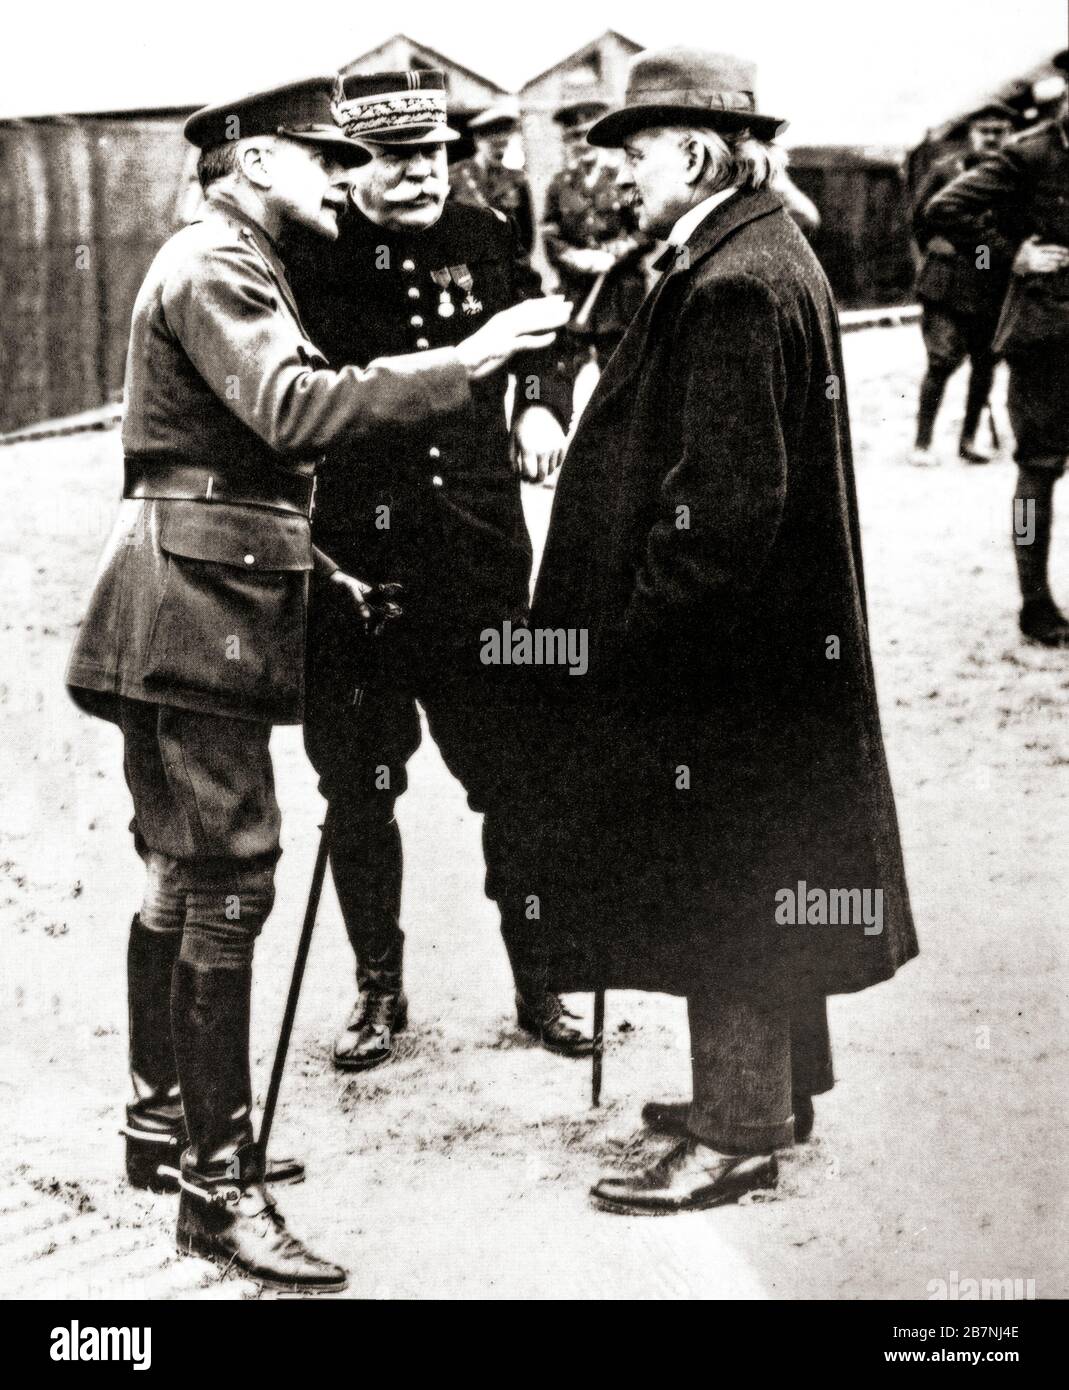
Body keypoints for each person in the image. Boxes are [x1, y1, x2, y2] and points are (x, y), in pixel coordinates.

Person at [64, 74, 569, 1290]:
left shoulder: (228, 258)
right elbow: (293, 411)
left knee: (184, 871)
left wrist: (326, 570)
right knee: (228, 880)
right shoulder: (219, 266)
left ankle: (162, 1126)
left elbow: (235, 458)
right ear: (249, 163)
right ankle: (217, 1190)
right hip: (199, 611)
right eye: (322, 159)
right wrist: (471, 358)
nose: (348, 178)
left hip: (200, 594)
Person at [500, 46, 918, 1214]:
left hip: (720, 657)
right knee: (761, 868)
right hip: (766, 652)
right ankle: (769, 1094)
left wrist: (632, 641)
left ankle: (735, 1132)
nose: (622, 179)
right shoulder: (757, 250)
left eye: (633, 155)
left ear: (690, 154)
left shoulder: (734, 281)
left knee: (724, 876)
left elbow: (721, 514)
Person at [285, 69, 589, 1073]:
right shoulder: (306, 254)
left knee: (515, 775)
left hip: (474, 564)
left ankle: (539, 978)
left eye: (432, 151)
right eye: (392, 157)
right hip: (356, 575)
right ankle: (379, 987)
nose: (419, 173)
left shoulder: (484, 229)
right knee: (361, 787)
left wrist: (541, 401)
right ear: (349, 164)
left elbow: (552, 332)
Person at [925, 54, 1069, 645]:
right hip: (1048, 335)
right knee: (1039, 467)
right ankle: (1036, 605)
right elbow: (944, 210)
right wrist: (1009, 256)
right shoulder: (1029, 153)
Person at [909, 102, 1019, 467]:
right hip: (947, 282)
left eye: (999, 131)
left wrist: (987, 253)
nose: (991, 138)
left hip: (993, 283)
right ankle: (922, 443)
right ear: (972, 134)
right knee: (941, 360)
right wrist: (943, 251)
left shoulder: (1015, 176)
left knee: (985, 362)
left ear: (1009, 134)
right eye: (984, 131)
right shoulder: (945, 171)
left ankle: (969, 440)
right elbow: (920, 221)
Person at [542, 99, 650, 392]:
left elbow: (648, 230)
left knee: (622, 375)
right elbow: (549, 234)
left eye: (589, 133)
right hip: (576, 293)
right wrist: (574, 257)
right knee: (564, 372)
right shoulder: (560, 184)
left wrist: (622, 248)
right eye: (574, 136)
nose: (582, 142)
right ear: (566, 141)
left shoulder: (625, 178)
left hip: (618, 294)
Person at [449, 99, 535, 253]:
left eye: (504, 145)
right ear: (478, 140)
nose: (500, 152)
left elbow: (527, 235)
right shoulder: (455, 178)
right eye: (494, 145)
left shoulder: (517, 180)